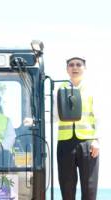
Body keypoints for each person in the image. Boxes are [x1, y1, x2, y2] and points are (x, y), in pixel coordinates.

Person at [57, 56, 99, 200]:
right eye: (71, 65)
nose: (75, 67)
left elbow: (101, 116)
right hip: (65, 143)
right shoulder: (60, 88)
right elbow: (54, 115)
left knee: (89, 187)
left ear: (84, 68)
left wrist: (97, 140)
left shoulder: (92, 88)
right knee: (66, 186)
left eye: (78, 64)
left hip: (87, 142)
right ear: (67, 69)